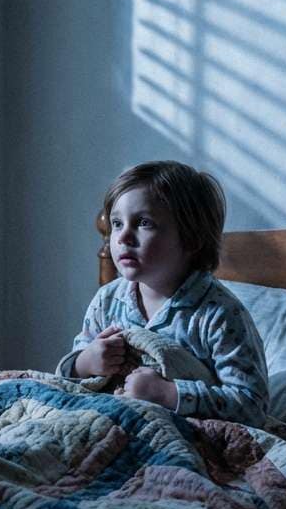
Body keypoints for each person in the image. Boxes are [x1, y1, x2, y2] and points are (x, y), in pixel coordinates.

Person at [56, 161, 269, 428]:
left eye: (144, 223)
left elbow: (252, 406)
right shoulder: (107, 300)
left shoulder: (218, 314)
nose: (123, 237)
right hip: (107, 422)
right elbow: (68, 380)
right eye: (117, 223)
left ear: (192, 239)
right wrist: (85, 363)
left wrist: (168, 394)